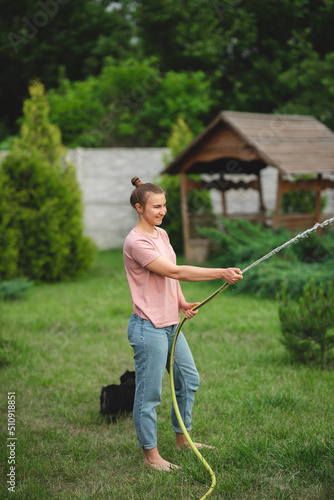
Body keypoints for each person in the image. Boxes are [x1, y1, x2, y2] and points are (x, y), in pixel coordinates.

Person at [123, 176, 243, 471]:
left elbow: (170, 277)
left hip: (170, 323)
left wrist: (181, 302)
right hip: (148, 327)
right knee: (149, 395)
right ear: (140, 208)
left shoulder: (161, 235)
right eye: (156, 207)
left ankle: (182, 438)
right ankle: (151, 455)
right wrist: (219, 272)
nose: (162, 211)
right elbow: (174, 271)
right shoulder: (136, 241)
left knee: (189, 380)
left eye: (164, 206)